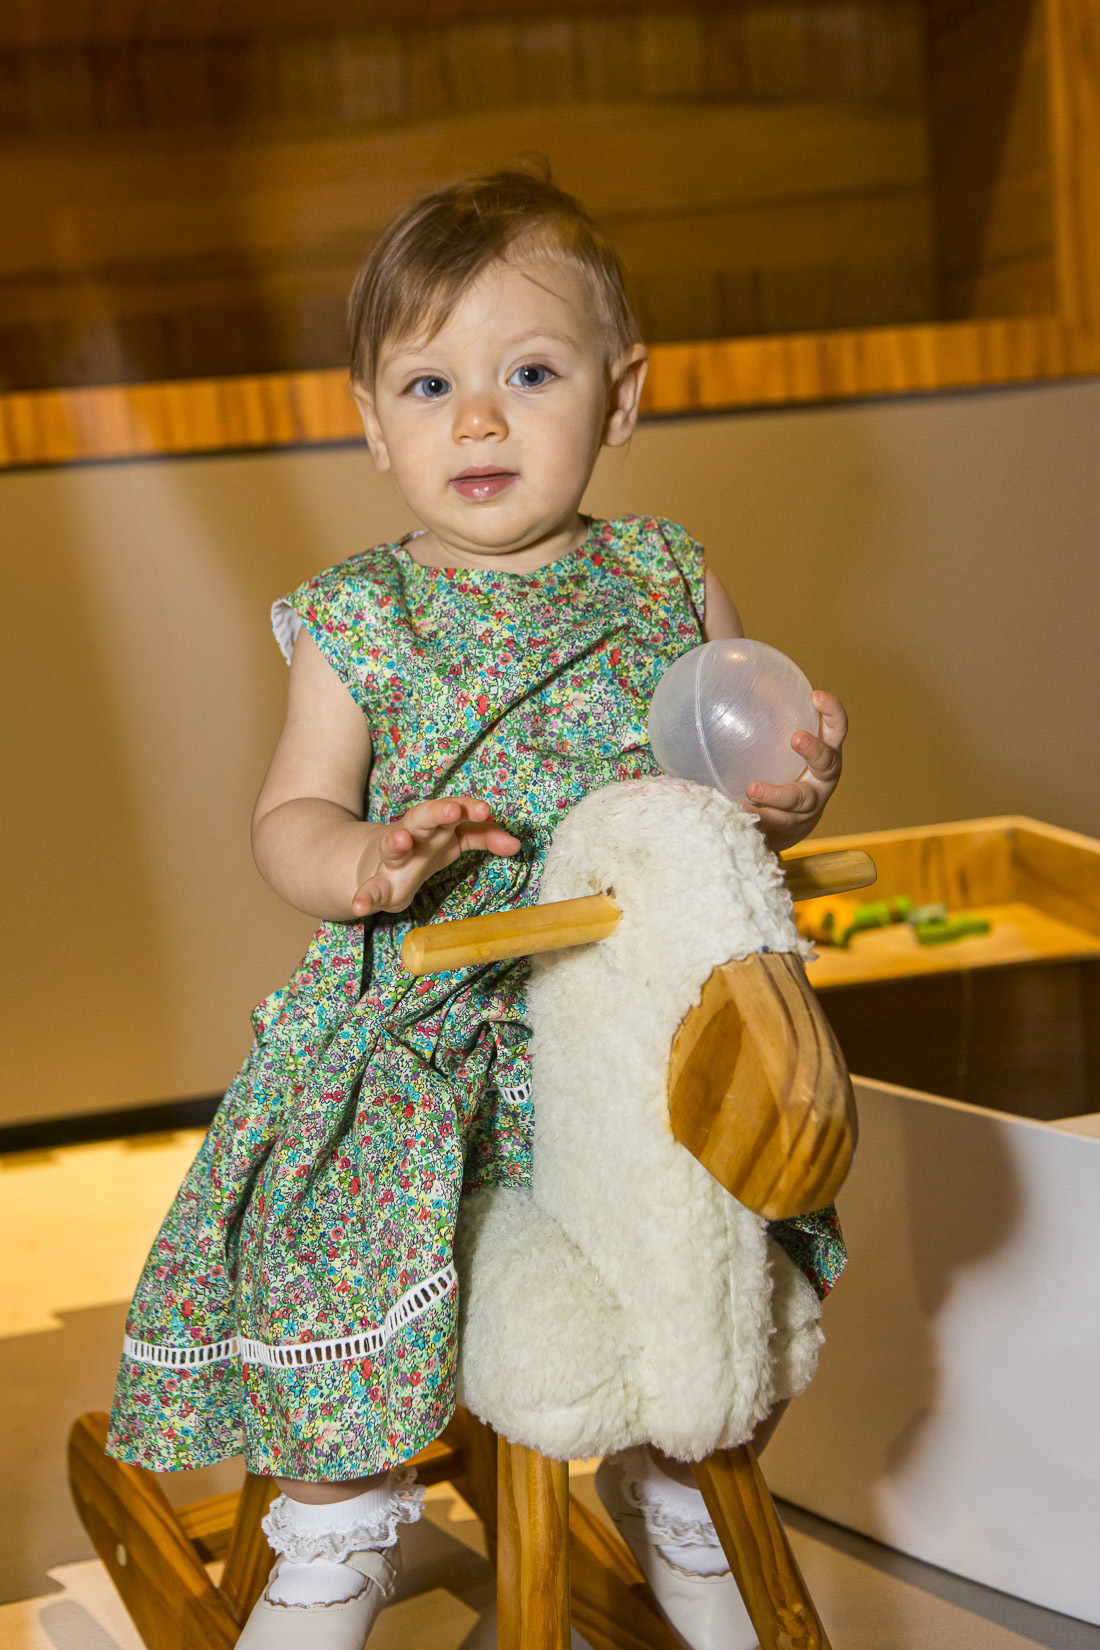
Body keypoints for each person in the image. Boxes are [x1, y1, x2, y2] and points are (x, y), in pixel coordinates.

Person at [106, 167, 848, 1650]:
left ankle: (674, 1476)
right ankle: (334, 1518)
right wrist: (363, 861)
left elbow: (728, 782)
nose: (482, 421)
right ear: (374, 425)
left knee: (726, 1232)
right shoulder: (359, 619)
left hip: (626, 1026)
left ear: (622, 397)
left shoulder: (668, 580)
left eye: (532, 374)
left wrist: (795, 796)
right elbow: (287, 816)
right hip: (431, 1019)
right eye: (431, 385)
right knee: (342, 1237)